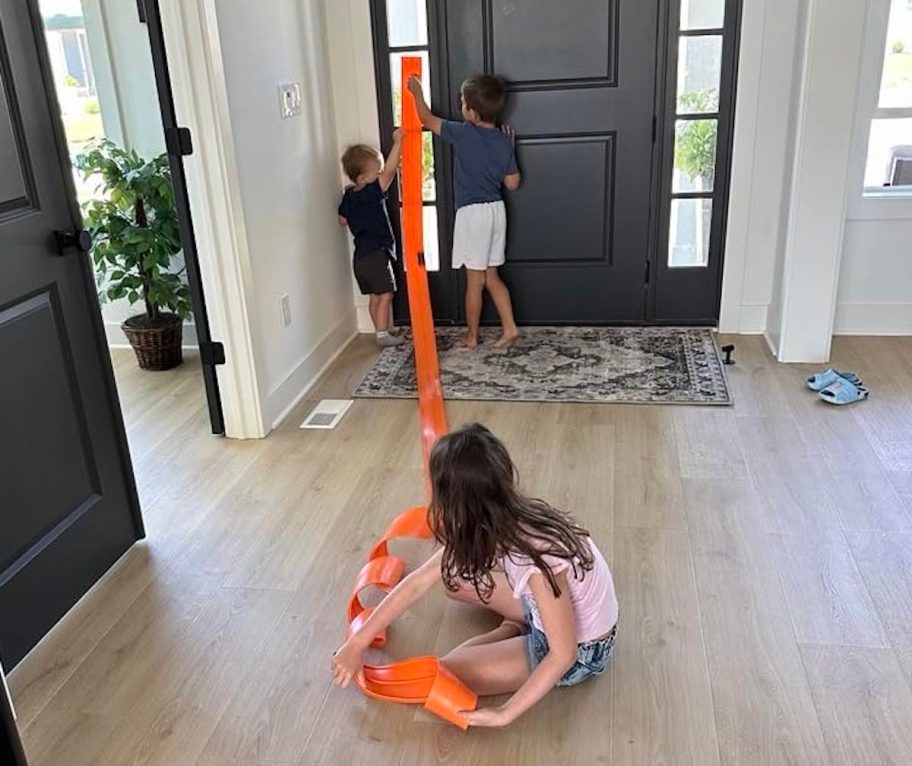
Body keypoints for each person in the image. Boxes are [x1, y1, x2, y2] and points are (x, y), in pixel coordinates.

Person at [331, 423, 618, 728]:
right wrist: (358, 642)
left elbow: (563, 654)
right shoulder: (501, 516)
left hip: (581, 651)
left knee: (446, 673)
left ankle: (510, 630)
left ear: (458, 505)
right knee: (456, 583)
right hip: (550, 613)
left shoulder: (535, 563)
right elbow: (417, 584)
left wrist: (504, 713)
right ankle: (513, 627)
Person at [406, 74, 522, 349]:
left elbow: (427, 120)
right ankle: (510, 328)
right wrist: (509, 150)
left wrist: (417, 93)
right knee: (492, 276)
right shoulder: (503, 140)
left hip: (472, 215)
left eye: (462, 102)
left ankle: (471, 336)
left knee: (474, 281)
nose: (460, 105)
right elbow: (513, 183)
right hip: (496, 211)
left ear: (471, 112)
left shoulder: (463, 132)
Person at [338, 133, 405, 347]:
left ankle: (381, 330)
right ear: (362, 179)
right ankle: (383, 335)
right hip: (376, 254)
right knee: (385, 294)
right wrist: (398, 142)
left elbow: (342, 220)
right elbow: (391, 171)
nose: (380, 175)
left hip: (360, 258)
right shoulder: (371, 192)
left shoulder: (349, 196)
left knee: (374, 298)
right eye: (376, 173)